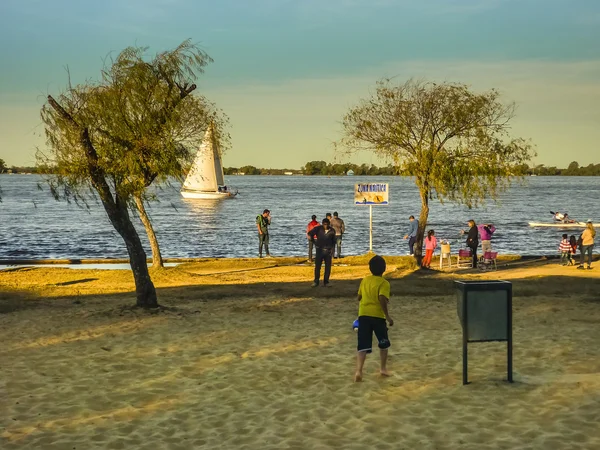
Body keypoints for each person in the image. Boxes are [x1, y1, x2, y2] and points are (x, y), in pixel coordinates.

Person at [354, 255, 393, 382]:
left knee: (363, 345)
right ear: (384, 269)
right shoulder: (384, 283)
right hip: (377, 316)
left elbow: (359, 297)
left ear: (370, 268)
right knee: (383, 343)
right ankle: (383, 368)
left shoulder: (365, 280)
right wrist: (387, 316)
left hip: (363, 315)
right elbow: (382, 299)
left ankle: (359, 371)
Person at [307, 218, 336, 287]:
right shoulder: (318, 229)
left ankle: (326, 282)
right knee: (317, 266)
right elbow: (310, 234)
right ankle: (316, 281)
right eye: (324, 224)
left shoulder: (332, 230)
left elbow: (334, 241)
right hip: (319, 250)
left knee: (328, 267)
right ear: (322, 224)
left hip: (328, 251)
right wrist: (314, 242)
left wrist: (332, 250)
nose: (325, 225)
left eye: (327, 224)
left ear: (329, 224)